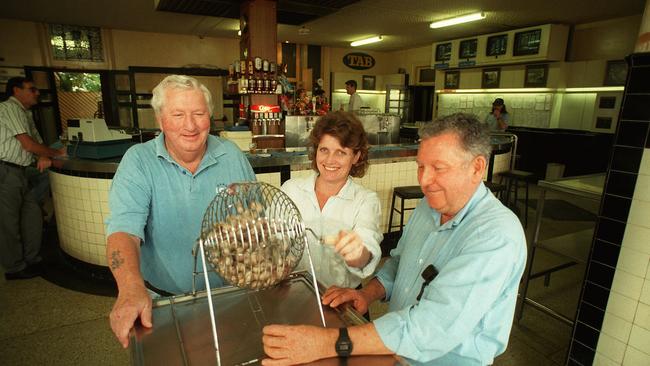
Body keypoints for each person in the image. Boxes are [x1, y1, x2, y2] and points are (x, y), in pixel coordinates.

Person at [262, 113, 527, 365]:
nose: (425, 180)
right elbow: (400, 263)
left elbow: (431, 327)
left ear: (477, 167)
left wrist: (326, 343)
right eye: (421, 167)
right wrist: (367, 293)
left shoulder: (495, 236)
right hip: (393, 351)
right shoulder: (429, 206)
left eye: (438, 168)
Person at [105, 75, 255, 348]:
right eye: (178, 114)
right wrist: (129, 289)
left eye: (199, 113)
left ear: (209, 116)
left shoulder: (231, 154)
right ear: (160, 119)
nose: (190, 125)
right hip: (164, 303)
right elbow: (124, 232)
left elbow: (254, 217)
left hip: (229, 296)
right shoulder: (139, 161)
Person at [280, 111, 382, 289]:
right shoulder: (291, 190)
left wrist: (358, 254)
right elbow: (272, 237)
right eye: (324, 150)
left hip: (342, 299)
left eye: (341, 152)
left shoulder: (365, 201)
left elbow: (367, 245)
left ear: (356, 156)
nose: (330, 160)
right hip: (296, 292)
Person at [0, 77, 66, 280]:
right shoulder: (9, 108)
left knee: (32, 216)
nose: (37, 93)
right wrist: (55, 155)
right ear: (15, 90)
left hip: (20, 172)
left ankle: (31, 259)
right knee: (8, 223)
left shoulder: (25, 113)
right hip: (5, 171)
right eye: (32, 89)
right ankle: (15, 267)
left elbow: (37, 144)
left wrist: (45, 154)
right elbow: (28, 144)